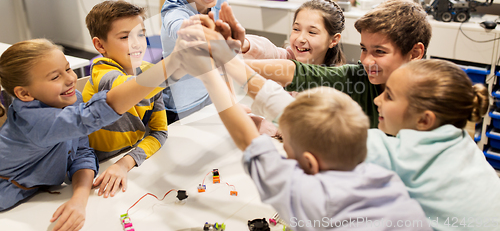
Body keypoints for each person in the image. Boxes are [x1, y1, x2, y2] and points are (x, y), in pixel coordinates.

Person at [174, 24, 431, 231]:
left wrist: (208, 75)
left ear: (309, 163)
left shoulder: (307, 197)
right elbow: (280, 103)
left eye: (286, 149)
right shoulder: (385, 171)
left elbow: (247, 138)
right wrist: (225, 60)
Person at [0, 38, 178, 230]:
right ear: (24, 94)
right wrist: (175, 62)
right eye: (54, 77)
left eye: (68, 69)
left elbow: (82, 153)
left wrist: (79, 199)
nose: (70, 79)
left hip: (38, 197)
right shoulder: (34, 123)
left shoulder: (71, 100)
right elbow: (95, 114)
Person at [242, 0, 432, 128]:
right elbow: (297, 71)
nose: (365, 60)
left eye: (379, 52)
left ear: (415, 53)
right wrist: (232, 60)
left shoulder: (433, 100)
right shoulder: (358, 76)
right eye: (364, 49)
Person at [367, 59, 500, 231]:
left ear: (424, 120)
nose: (377, 100)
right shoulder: (464, 142)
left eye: (389, 96)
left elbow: (342, 139)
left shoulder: (405, 153)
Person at [83, 0, 170, 198]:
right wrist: (176, 65)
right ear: (99, 45)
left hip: (125, 162)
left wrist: (126, 162)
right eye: (124, 37)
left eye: (141, 34)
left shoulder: (150, 75)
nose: (137, 43)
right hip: (93, 170)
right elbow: (126, 86)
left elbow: (159, 133)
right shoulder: (102, 70)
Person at [160, 0, 228, 124]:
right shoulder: (173, 11)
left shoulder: (220, 1)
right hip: (183, 104)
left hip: (212, 91)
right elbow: (179, 28)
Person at [230, 0, 346, 66]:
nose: (300, 38)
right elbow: (268, 51)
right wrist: (244, 44)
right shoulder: (288, 59)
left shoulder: (335, 81)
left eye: (312, 32)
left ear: (333, 40)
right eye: (296, 29)